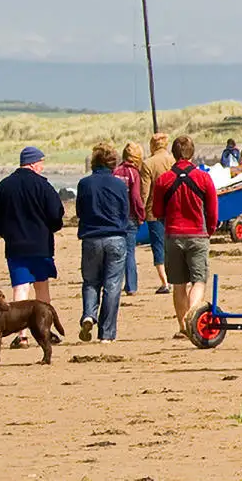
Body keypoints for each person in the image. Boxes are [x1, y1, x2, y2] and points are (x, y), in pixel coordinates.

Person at [0, 146, 65, 347]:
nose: (42, 166)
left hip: (15, 245)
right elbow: (56, 213)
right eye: (41, 163)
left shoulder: (4, 186)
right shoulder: (43, 186)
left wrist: (3, 232)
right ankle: (45, 330)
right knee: (42, 287)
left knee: (20, 288)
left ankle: (21, 335)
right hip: (41, 244)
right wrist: (50, 228)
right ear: (33, 163)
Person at [150, 135, 219, 339]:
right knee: (199, 280)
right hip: (197, 234)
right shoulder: (203, 178)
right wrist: (210, 230)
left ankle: (183, 326)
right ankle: (193, 318)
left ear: (173, 153)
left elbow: (156, 210)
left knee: (179, 284)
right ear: (192, 153)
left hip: (173, 235)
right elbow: (213, 211)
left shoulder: (164, 180)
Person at [75, 143, 132, 343]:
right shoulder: (119, 185)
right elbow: (125, 211)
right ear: (112, 163)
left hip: (91, 237)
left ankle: (89, 315)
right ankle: (106, 333)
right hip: (115, 237)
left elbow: (80, 211)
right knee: (112, 285)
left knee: (90, 281)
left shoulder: (84, 184)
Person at [140, 132, 172, 293]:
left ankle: (165, 282)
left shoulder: (148, 164)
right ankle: (175, 278)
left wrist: (140, 212)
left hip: (154, 210)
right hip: (173, 209)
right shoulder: (173, 161)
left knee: (158, 246)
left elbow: (144, 192)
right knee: (173, 245)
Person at [112, 143, 146, 296]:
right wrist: (141, 215)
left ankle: (114, 284)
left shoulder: (115, 171)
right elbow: (135, 197)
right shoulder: (134, 173)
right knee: (130, 253)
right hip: (130, 217)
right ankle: (131, 286)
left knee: (116, 253)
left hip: (115, 217)